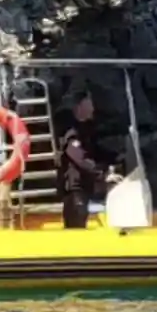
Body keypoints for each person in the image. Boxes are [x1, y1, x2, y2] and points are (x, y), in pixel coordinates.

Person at [57, 93, 112, 230]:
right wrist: (101, 173)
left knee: (82, 221)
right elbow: (79, 158)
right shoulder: (72, 132)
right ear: (79, 107)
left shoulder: (89, 130)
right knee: (76, 223)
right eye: (89, 105)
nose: (92, 109)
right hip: (75, 188)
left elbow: (96, 151)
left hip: (85, 187)